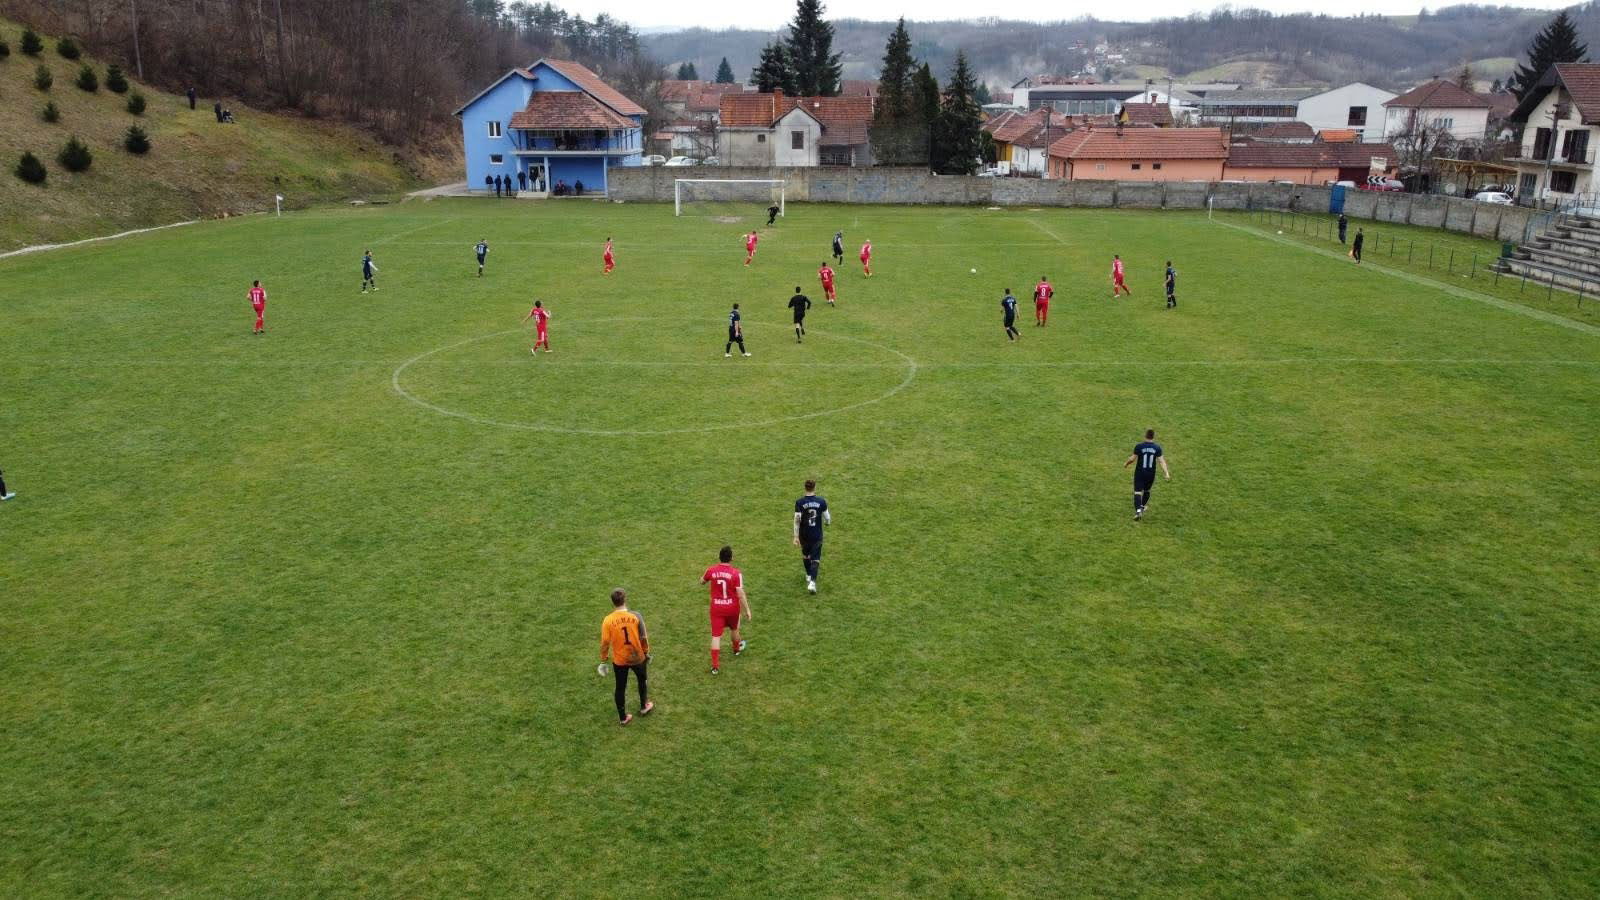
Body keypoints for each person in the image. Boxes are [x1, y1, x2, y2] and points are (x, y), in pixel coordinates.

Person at [598, 588, 653, 725]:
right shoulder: (636, 616)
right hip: (637, 657)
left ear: (613, 602)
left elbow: (605, 642)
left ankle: (623, 718)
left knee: (620, 687)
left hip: (620, 659)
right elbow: (643, 636)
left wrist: (603, 660)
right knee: (642, 680)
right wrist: (646, 652)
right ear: (625, 599)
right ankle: (644, 706)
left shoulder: (608, 620)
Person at [701, 545, 751, 675]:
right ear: (731, 558)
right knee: (734, 629)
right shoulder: (736, 573)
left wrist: (707, 579)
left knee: (716, 636)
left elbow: (702, 581)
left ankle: (715, 666)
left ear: (719, 557)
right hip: (732, 608)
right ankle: (736, 649)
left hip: (717, 608)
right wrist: (747, 610)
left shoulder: (711, 570)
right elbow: (740, 593)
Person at [1123, 428, 1172, 521]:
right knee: (1147, 491)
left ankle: (1138, 511)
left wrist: (1126, 464)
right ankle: (1141, 507)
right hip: (1151, 473)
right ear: (1153, 437)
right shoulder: (1157, 448)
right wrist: (1166, 473)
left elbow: (1132, 459)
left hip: (1140, 473)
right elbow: (1161, 461)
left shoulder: (1139, 446)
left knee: (1137, 492)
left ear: (1145, 436)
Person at [793, 480, 830, 594]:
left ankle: (809, 574)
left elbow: (797, 520)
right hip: (816, 534)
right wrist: (827, 523)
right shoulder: (821, 501)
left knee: (806, 555)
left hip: (804, 534)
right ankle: (812, 583)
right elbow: (827, 517)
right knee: (815, 558)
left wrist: (795, 536)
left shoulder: (799, 502)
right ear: (815, 487)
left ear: (805, 488)